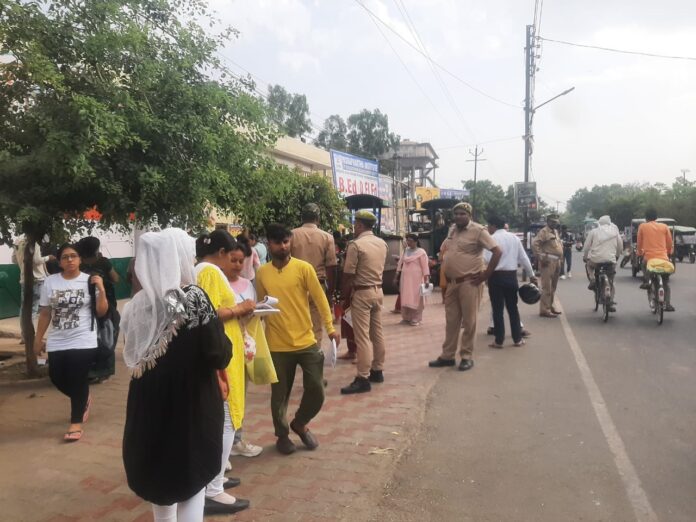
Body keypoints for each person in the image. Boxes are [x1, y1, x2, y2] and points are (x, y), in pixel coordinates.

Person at [121, 228, 233, 522]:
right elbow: (218, 353)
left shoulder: (138, 305)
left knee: (161, 475)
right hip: (189, 405)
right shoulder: (190, 297)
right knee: (191, 479)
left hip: (149, 405)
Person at [255, 223, 339, 454]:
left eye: (286, 242)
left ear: (290, 241)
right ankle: (282, 435)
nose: (283, 247)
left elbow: (320, 299)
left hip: (306, 340)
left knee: (316, 388)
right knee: (279, 395)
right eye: (277, 243)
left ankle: (300, 423)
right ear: (268, 244)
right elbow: (261, 307)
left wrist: (330, 328)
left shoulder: (304, 268)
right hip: (277, 344)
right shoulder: (262, 273)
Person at [195, 230, 254, 515]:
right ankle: (213, 489)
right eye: (230, 255)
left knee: (224, 419)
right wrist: (241, 307)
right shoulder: (210, 272)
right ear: (220, 252)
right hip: (222, 356)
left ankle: (213, 479)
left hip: (223, 351)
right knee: (226, 420)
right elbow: (208, 314)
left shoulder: (201, 270)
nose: (233, 261)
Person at [33, 244, 108, 442]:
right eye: (65, 257)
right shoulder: (50, 282)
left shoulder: (89, 281)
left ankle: (75, 423)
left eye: (73, 256)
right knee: (56, 376)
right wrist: (37, 339)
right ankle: (83, 398)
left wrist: (101, 287)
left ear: (80, 259)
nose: (70, 260)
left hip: (84, 337)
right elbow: (45, 312)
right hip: (58, 339)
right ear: (59, 262)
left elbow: (101, 311)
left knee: (78, 378)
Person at [428, 203, 501, 372]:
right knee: (451, 321)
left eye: (462, 214)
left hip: (470, 282)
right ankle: (447, 356)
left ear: (469, 215)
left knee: (469, 321)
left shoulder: (478, 231)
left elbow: (497, 251)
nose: (459, 216)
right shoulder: (453, 230)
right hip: (452, 283)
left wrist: (486, 275)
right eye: (456, 214)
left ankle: (466, 356)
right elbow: (447, 250)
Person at [340, 210, 388, 394]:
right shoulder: (381, 243)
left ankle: (362, 377)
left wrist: (344, 295)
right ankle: (378, 370)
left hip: (362, 292)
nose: (354, 228)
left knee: (362, 337)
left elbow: (349, 274)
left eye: (355, 225)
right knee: (377, 333)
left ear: (359, 225)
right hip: (378, 290)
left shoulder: (356, 245)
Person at [224, 239, 264, 459]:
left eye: (241, 261)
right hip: (223, 347)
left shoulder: (248, 284)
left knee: (240, 394)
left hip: (243, 346)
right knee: (223, 396)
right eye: (233, 259)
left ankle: (236, 440)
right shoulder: (218, 283)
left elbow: (252, 310)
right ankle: (224, 445)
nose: (237, 265)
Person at [485, 216, 537, 348]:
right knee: (513, 308)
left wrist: (485, 276)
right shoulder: (514, 238)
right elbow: (523, 258)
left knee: (497, 310)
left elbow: (485, 259)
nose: (488, 228)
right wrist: (531, 275)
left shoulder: (490, 239)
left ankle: (499, 340)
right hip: (511, 277)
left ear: (493, 226)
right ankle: (517, 339)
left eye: (488, 226)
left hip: (495, 277)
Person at [290, 203, 338, 346]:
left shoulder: (292, 235)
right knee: (316, 322)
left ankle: (298, 349)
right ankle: (314, 351)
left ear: (302, 217)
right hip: (318, 284)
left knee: (297, 319)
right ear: (318, 218)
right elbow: (331, 266)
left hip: (296, 285)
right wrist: (330, 292)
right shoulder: (327, 237)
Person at [77, 237, 120, 383]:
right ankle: (104, 371)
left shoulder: (79, 265)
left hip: (86, 306)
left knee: (91, 337)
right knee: (108, 336)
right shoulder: (104, 262)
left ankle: (90, 371)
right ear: (96, 249)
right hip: (107, 305)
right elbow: (115, 279)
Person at [12, 236, 55, 344]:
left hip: (24, 279)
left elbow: (13, 259)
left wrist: (23, 265)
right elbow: (36, 260)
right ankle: (30, 337)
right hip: (36, 279)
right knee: (33, 310)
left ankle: (25, 336)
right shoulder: (34, 239)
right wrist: (48, 258)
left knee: (24, 310)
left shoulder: (18, 240)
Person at [637, 208, 675, 311]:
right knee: (666, 282)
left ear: (646, 218)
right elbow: (669, 243)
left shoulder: (642, 226)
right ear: (656, 217)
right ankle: (667, 304)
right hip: (663, 258)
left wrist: (639, 253)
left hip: (649, 259)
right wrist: (668, 252)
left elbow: (639, 243)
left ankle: (647, 281)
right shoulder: (664, 226)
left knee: (643, 266)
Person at [582, 215, 622, 311]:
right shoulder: (615, 232)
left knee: (589, 265)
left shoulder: (594, 232)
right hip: (610, 261)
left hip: (596, 260)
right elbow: (620, 246)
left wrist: (585, 256)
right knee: (611, 281)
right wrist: (616, 257)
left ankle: (592, 279)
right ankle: (611, 302)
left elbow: (587, 246)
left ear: (599, 223)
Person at [394, 233, 430, 326]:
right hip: (405, 279)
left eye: (410, 241)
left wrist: (427, 280)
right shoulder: (405, 250)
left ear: (416, 241)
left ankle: (416, 318)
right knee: (406, 297)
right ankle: (406, 318)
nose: (408, 242)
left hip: (417, 280)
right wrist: (396, 275)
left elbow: (425, 267)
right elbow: (400, 263)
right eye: (407, 240)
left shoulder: (421, 252)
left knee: (416, 298)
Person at [532, 214, 564, 318]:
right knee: (547, 287)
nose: (555, 223)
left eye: (556, 222)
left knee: (553, 287)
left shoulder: (555, 232)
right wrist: (541, 258)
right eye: (553, 221)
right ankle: (544, 310)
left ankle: (550, 306)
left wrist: (561, 259)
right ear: (548, 222)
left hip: (556, 261)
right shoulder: (544, 232)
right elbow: (535, 244)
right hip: (548, 261)